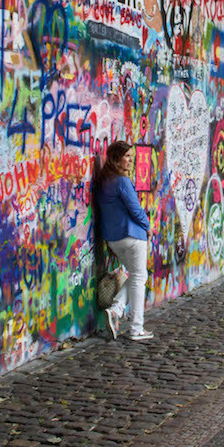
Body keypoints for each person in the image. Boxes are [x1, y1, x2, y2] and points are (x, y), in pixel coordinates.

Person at [96, 141, 154, 341]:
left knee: (138, 275)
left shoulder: (103, 181)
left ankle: (116, 310)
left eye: (131, 156)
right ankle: (136, 328)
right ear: (115, 158)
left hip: (113, 239)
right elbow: (135, 208)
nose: (131, 160)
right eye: (127, 156)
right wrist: (148, 226)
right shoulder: (122, 181)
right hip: (132, 235)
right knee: (139, 278)